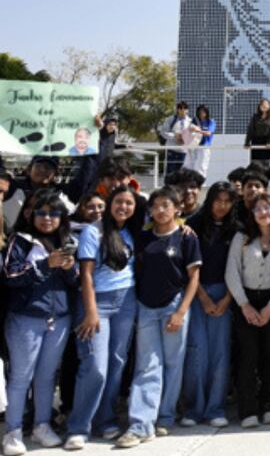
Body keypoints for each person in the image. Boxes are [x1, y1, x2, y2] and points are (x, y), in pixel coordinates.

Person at [118, 187, 202, 448]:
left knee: (173, 363)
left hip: (174, 306)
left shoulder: (187, 237)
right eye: (156, 206)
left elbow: (193, 278)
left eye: (166, 205)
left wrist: (180, 312)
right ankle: (141, 424)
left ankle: (165, 416)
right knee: (147, 365)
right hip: (146, 307)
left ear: (178, 209)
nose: (160, 210)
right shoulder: (143, 237)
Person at [2, 191, 79, 454]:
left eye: (54, 213)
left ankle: (41, 425)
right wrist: (46, 264)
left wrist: (70, 270)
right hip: (25, 319)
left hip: (59, 319)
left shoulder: (67, 241)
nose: (48, 218)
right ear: (31, 215)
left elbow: (74, 282)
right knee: (21, 376)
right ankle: (12, 432)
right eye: (42, 213)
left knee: (47, 377)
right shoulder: (20, 240)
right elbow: (10, 275)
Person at [64, 186, 141, 449]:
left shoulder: (130, 231)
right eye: (119, 202)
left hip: (127, 300)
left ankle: (105, 420)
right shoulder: (92, 230)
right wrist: (91, 311)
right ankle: (78, 426)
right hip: (97, 302)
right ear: (109, 203)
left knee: (116, 364)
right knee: (94, 367)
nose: (124, 207)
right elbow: (85, 273)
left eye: (129, 203)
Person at [226, 193, 270, 429]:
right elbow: (232, 271)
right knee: (248, 355)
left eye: (267, 208)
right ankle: (248, 409)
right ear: (252, 214)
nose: (263, 212)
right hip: (246, 299)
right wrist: (244, 304)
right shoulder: (242, 239)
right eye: (258, 209)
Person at [181, 182, 237, 428]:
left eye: (227, 201)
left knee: (220, 354)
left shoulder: (237, 229)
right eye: (218, 199)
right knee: (197, 352)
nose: (222, 205)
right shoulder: (191, 226)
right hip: (197, 293)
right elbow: (187, 267)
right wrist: (202, 297)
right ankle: (194, 408)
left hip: (226, 294)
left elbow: (239, 270)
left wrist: (226, 299)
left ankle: (215, 407)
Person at [244, 98, 270, 164]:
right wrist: (247, 142)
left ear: (269, 106)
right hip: (256, 142)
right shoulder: (255, 117)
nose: (263, 106)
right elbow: (250, 130)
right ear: (259, 106)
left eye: (266, 104)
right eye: (262, 105)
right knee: (254, 164)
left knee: (265, 164)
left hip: (267, 142)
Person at [157, 102, 191, 177]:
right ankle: (168, 187)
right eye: (180, 108)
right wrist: (175, 136)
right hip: (172, 149)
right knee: (170, 171)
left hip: (183, 150)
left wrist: (184, 138)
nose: (182, 110)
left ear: (187, 110)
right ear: (177, 109)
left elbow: (193, 134)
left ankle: (178, 188)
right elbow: (163, 132)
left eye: (185, 108)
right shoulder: (170, 119)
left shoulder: (190, 121)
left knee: (181, 172)